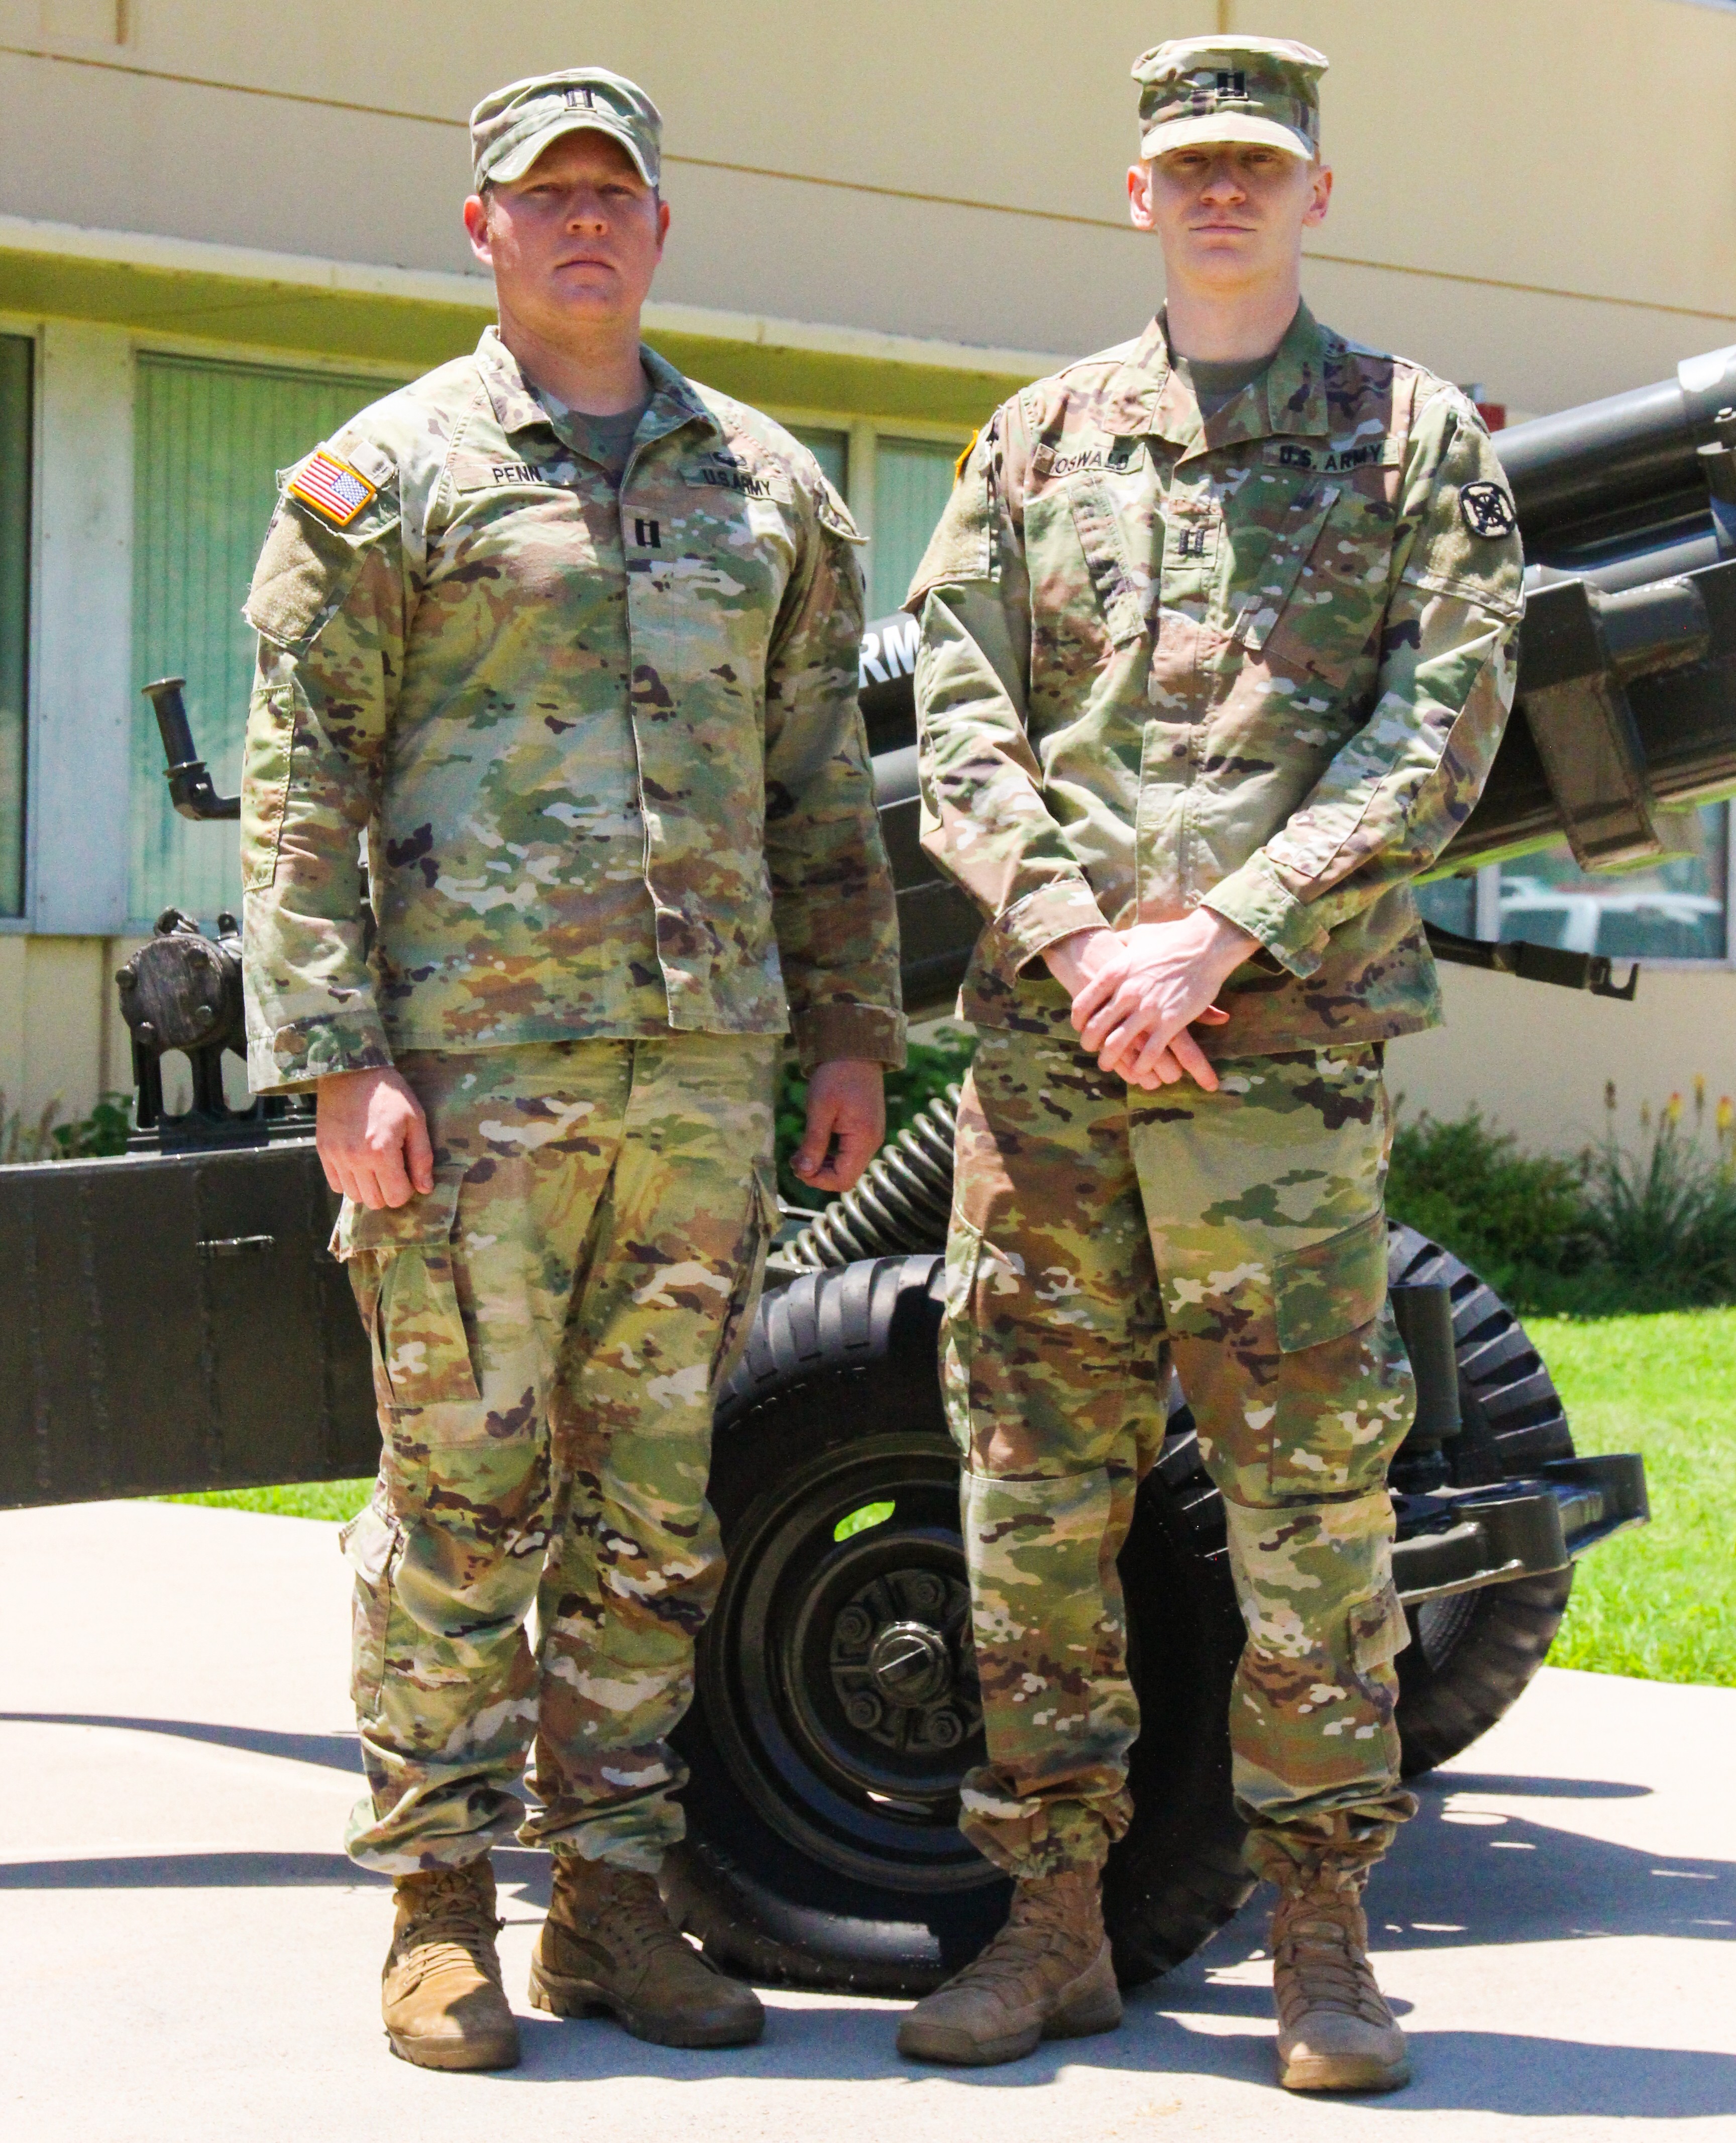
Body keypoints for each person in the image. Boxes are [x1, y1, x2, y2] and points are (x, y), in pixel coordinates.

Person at [239, 66, 903, 2072]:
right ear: (484, 230)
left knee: (656, 1509)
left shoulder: (770, 486)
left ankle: (612, 1899)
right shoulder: (386, 480)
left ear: (661, 231)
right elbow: (301, 792)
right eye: (547, 197)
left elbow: (819, 793)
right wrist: (340, 1064)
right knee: (462, 1493)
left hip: (700, 1079)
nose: (584, 223)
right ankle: (440, 1910)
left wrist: (857, 1023)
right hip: (472, 1078)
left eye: (616, 193)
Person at [898, 35, 1521, 2090]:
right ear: (1136, 195)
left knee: (1310, 1498)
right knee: (1034, 1490)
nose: (1224, 192)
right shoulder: (1035, 439)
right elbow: (962, 725)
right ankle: (1054, 1922)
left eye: (1259, 162)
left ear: (1317, 193)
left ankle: (1324, 1939)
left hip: (1274, 1060)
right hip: (1059, 1058)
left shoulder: (1416, 439)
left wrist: (1222, 927)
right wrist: (1089, 941)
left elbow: (1440, 720)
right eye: (1190, 165)